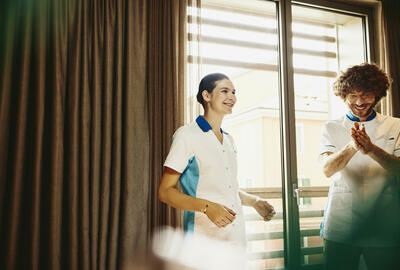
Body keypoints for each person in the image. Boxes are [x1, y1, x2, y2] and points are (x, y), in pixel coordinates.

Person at [158, 73, 275, 249]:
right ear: (207, 96)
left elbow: (227, 188)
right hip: (203, 238)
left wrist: (254, 202)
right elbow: (165, 192)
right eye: (225, 91)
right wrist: (207, 207)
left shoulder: (229, 140)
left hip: (236, 237)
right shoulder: (186, 135)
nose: (232, 97)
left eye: (234, 92)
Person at [319, 63, 400, 270]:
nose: (359, 102)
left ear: (377, 95)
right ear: (344, 95)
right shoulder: (331, 127)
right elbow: (327, 169)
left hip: (384, 222)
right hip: (341, 223)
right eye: (352, 95)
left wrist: (371, 149)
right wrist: (352, 146)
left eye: (366, 95)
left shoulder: (395, 125)